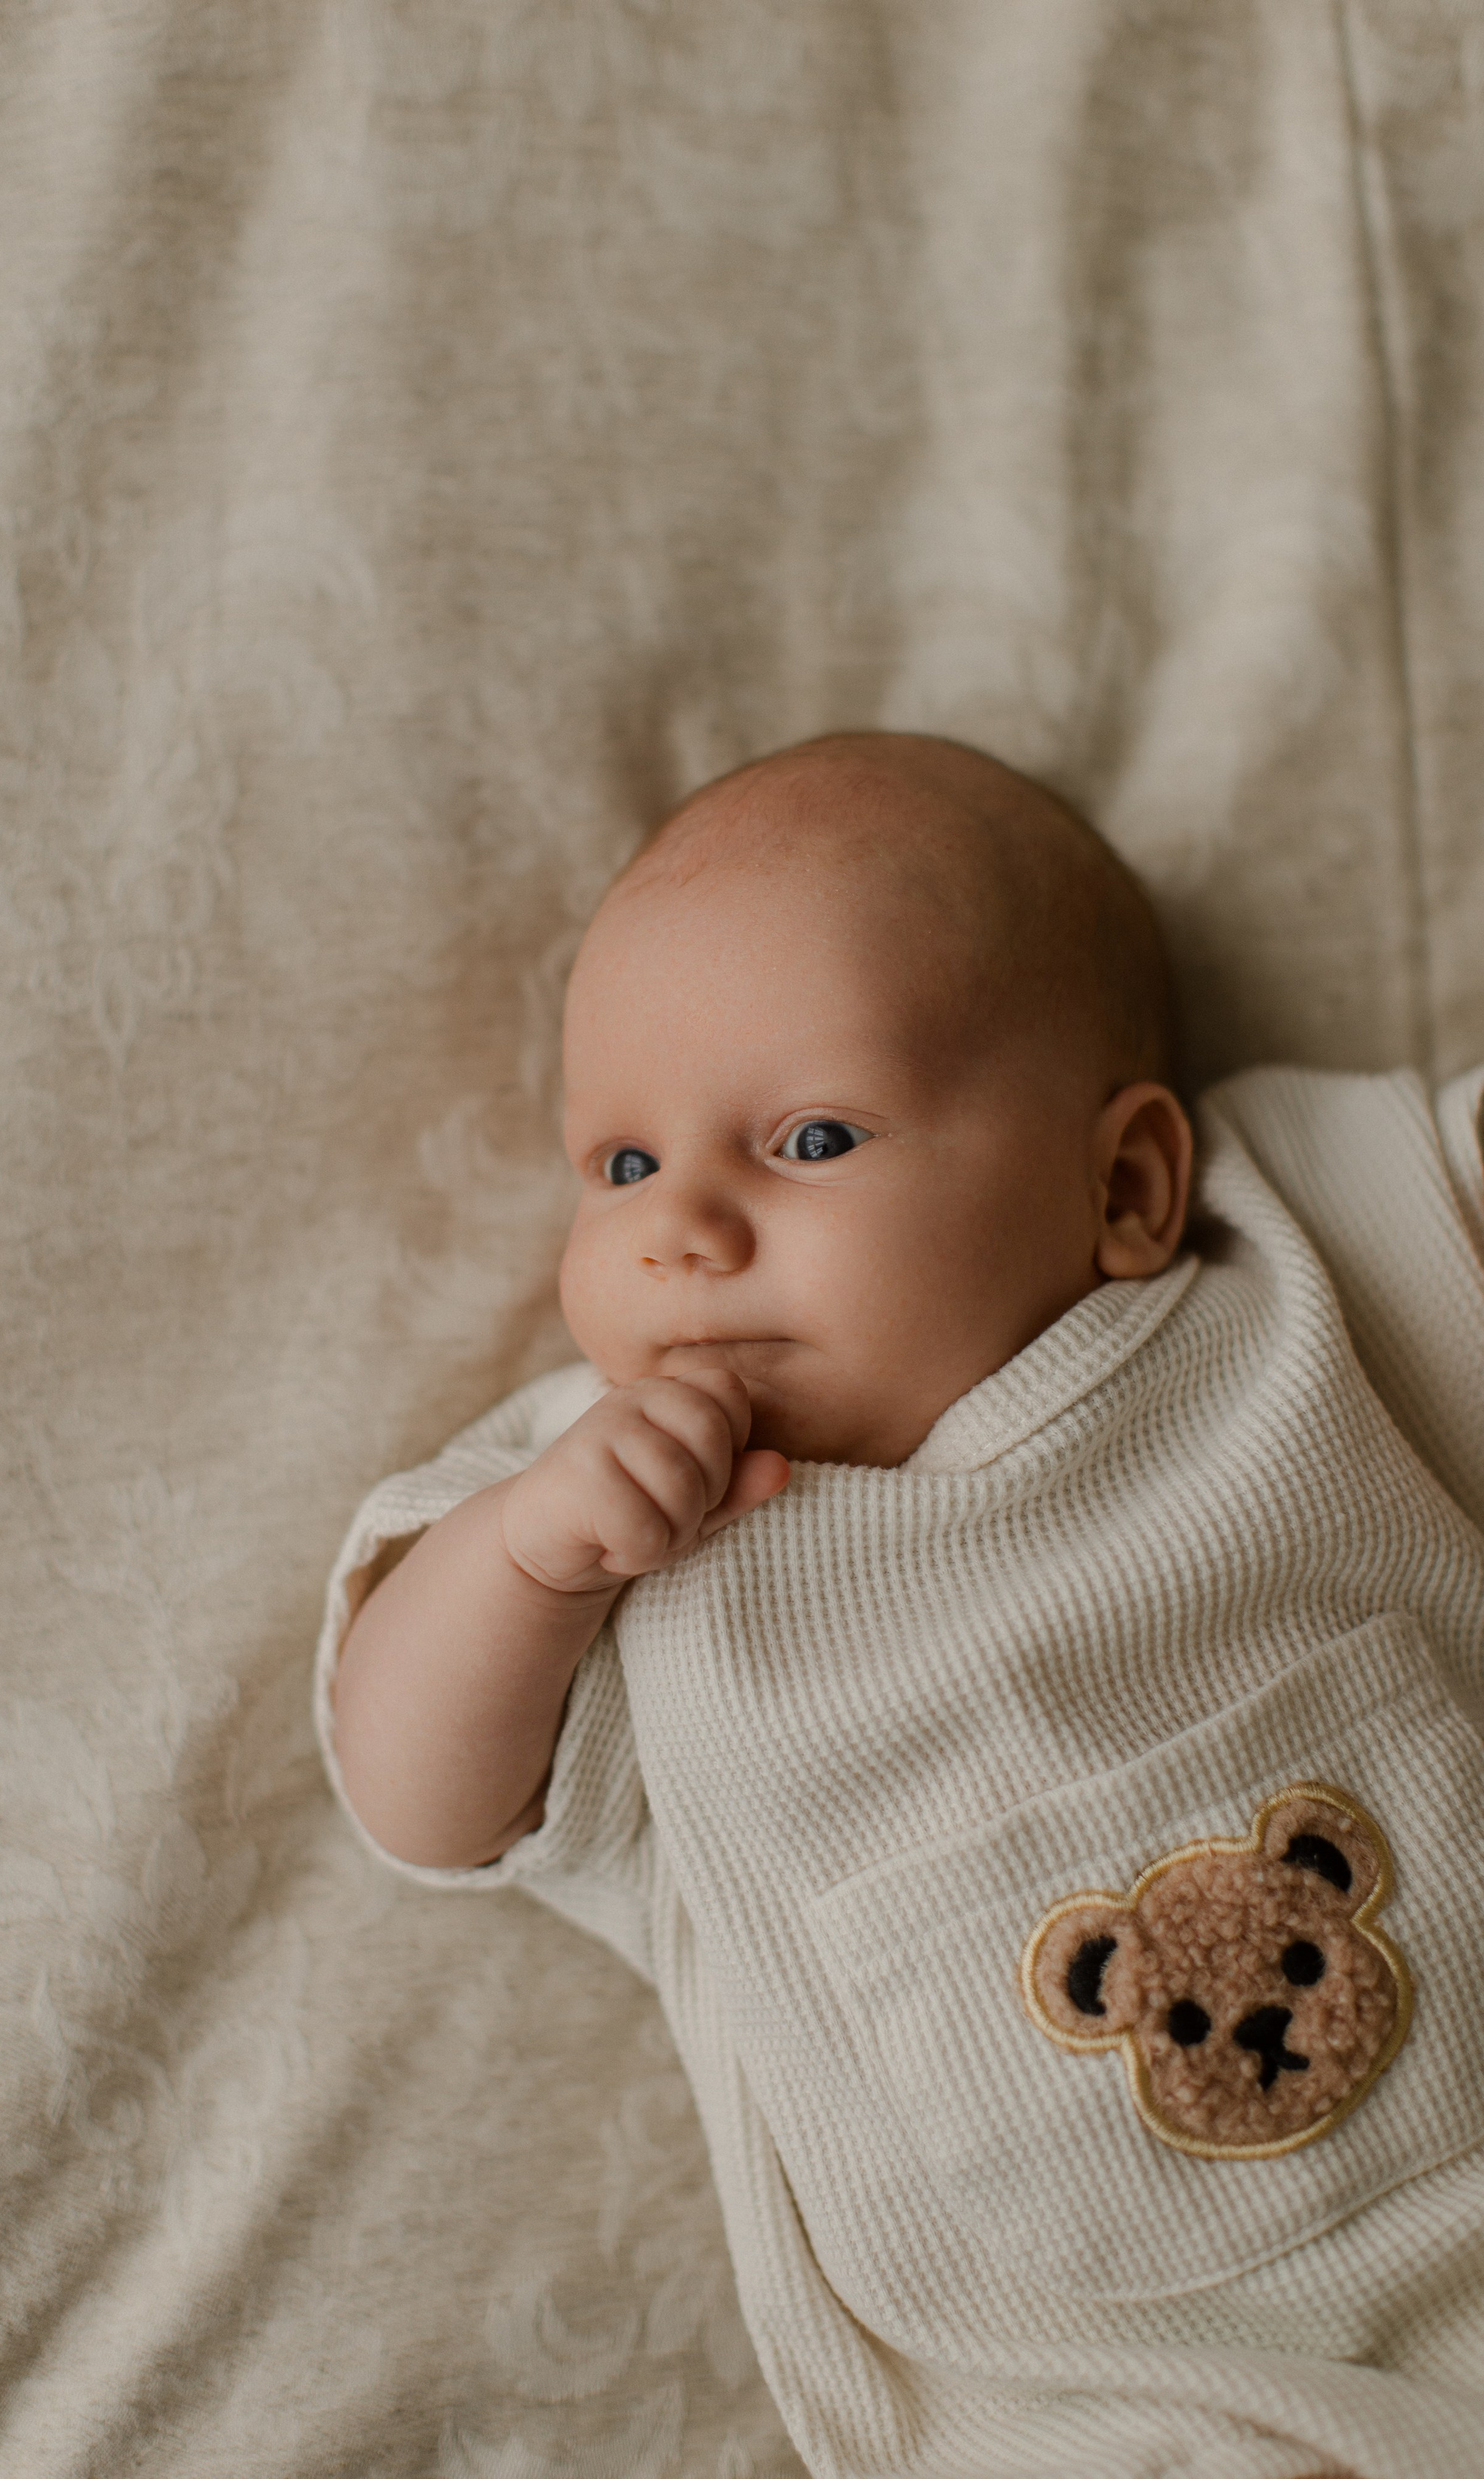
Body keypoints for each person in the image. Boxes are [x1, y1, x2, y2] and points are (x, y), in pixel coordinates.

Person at [318, 732, 1484, 2479]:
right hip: (1122, 2419)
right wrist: (525, 1560)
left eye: (806, 1137)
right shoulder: (601, 1519)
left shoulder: (1286, 1255)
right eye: (623, 1167)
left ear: (1124, 1186)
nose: (684, 1233)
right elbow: (416, 1795)